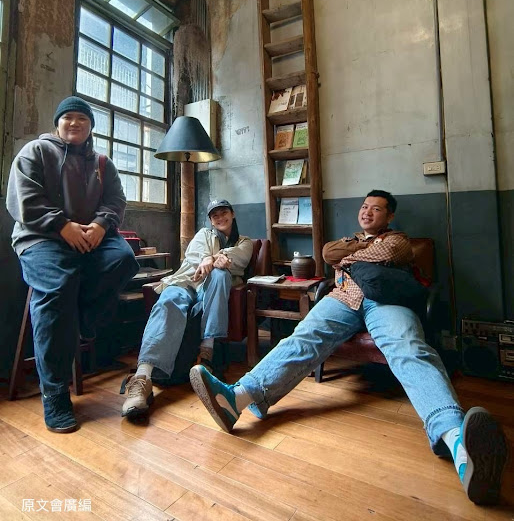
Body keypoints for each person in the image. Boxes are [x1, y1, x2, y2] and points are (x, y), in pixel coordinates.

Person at [189, 190, 508, 505]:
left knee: (409, 348)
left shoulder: (398, 239)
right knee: (301, 339)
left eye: (376, 209)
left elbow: (385, 253)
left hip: (386, 301)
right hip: (343, 298)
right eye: (365, 206)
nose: (367, 212)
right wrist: (359, 249)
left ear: (389, 216)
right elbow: (328, 253)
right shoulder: (351, 239)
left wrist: (349, 256)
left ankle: (458, 444)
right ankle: (237, 399)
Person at [6, 96, 139, 434]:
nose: (75, 123)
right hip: (41, 237)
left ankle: (81, 320)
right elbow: (24, 200)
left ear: (91, 126)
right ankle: (54, 393)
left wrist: (100, 225)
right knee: (58, 287)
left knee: (124, 258)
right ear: (57, 123)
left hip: (89, 237)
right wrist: (62, 225)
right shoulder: (35, 152)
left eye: (83, 118)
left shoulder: (102, 163)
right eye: (68, 117)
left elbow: (116, 200)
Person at [122, 198, 253, 419]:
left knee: (220, 274)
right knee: (169, 299)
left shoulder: (244, 241)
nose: (220, 218)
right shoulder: (203, 234)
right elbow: (194, 259)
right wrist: (209, 258)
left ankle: (206, 354)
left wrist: (214, 258)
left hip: (212, 290)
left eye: (224, 213)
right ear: (210, 221)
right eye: (215, 215)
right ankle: (142, 378)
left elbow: (240, 258)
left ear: (232, 214)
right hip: (187, 283)